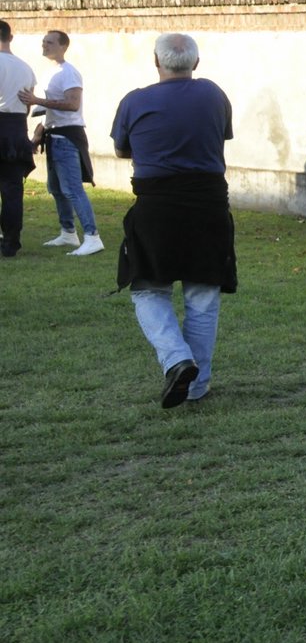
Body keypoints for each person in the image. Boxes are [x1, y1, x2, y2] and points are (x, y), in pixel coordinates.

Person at [111, 33, 236, 407]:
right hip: (209, 206)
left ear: (156, 61)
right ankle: (197, 387)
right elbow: (220, 136)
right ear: (195, 63)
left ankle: (177, 359)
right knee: (202, 295)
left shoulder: (134, 101)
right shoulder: (214, 95)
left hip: (157, 207)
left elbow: (121, 149)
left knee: (149, 289)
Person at [19, 29, 101, 256]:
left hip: (67, 137)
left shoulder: (69, 73)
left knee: (73, 189)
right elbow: (48, 111)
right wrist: (37, 135)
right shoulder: (50, 73)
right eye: (44, 42)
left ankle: (93, 237)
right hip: (54, 136)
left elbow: (73, 104)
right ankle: (68, 232)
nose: (45, 45)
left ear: (64, 46)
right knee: (55, 188)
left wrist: (37, 100)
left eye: (50, 42)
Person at [0, 21, 37, 258]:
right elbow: (27, 105)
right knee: (13, 190)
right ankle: (11, 242)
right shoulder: (26, 68)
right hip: (16, 130)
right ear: (10, 37)